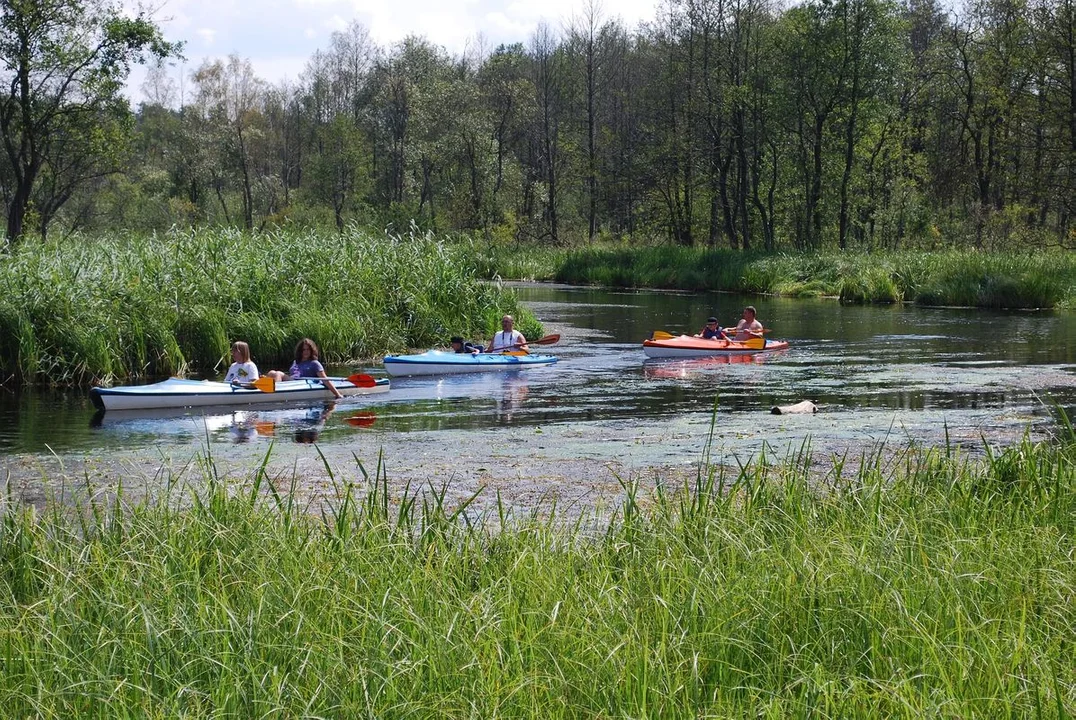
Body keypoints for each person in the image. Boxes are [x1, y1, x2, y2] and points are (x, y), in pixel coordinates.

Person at [266, 338, 344, 399]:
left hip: (302, 384)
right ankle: (264, 390)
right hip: (292, 383)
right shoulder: (296, 362)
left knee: (278, 373)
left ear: (311, 350)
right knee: (272, 372)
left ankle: (274, 394)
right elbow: (293, 375)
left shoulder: (314, 363)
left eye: (308, 349)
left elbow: (325, 379)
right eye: (303, 350)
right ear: (300, 351)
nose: (306, 352)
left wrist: (337, 394)